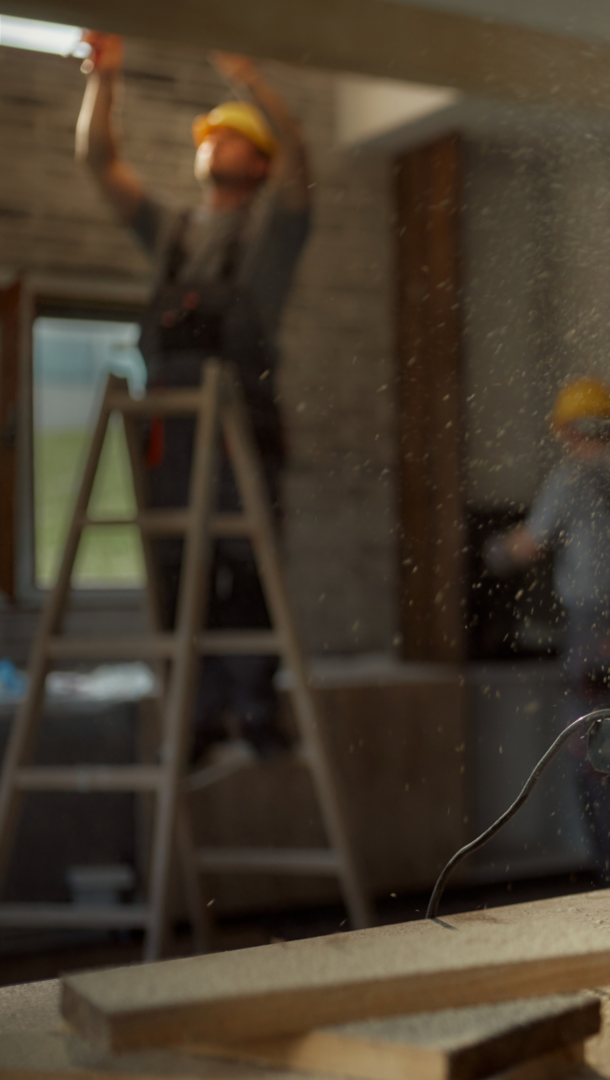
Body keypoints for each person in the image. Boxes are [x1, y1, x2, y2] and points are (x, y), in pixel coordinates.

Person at [76, 33, 312, 764]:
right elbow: (97, 161)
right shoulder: (172, 233)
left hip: (238, 428)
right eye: (208, 138)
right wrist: (104, 79)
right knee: (179, 573)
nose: (213, 144)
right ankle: (199, 714)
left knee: (244, 569)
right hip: (171, 434)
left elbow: (301, 158)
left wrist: (250, 78)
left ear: (258, 162)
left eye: (230, 138)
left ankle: (252, 706)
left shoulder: (272, 233)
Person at [488, 378, 610, 884]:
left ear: (570, 431)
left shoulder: (570, 480)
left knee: (595, 759)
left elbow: (528, 545)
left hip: (594, 633)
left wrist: (493, 550)